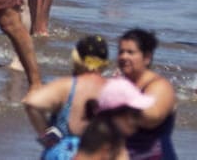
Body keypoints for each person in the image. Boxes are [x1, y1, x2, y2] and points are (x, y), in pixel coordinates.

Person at [22, 35, 109, 158]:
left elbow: (32, 103)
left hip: (65, 151)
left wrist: (47, 135)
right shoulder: (113, 89)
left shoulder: (67, 86)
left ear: (76, 58)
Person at [115, 28, 178, 160]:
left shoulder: (160, 86)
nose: (123, 56)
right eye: (121, 52)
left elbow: (152, 117)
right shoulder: (121, 85)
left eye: (130, 52)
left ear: (147, 57)